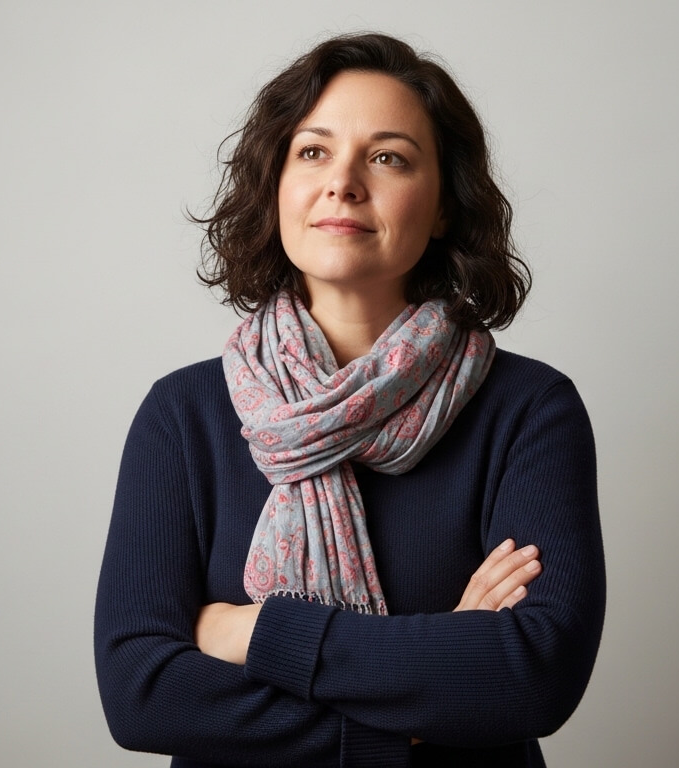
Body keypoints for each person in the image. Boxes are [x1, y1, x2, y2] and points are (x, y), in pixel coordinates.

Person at [94, 32, 605, 768]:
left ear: (444, 209)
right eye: (313, 152)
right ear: (276, 188)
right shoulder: (184, 415)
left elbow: (532, 677)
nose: (344, 182)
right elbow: (141, 694)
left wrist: (252, 633)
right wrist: (421, 695)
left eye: (388, 156)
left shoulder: (528, 410)